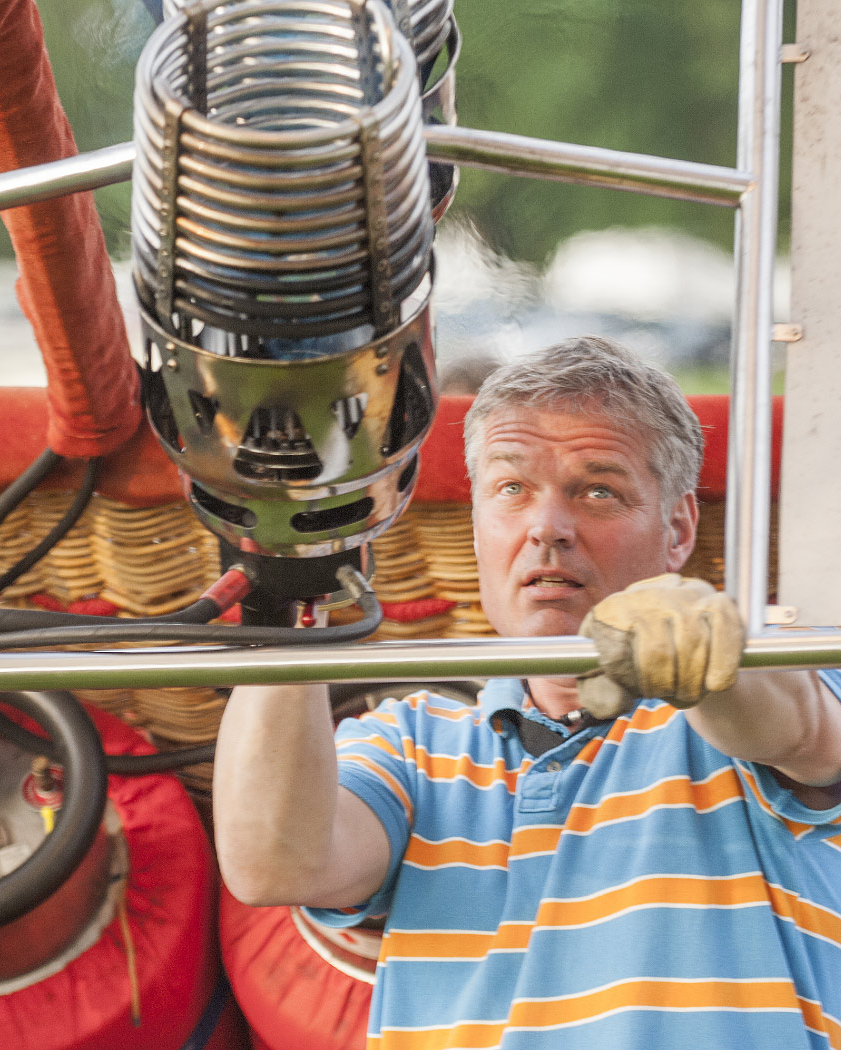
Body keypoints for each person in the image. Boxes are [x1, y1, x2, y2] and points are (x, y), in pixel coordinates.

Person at [213, 336, 841, 1049]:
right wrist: (293, 587)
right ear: (478, 527)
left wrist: (711, 648)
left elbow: (796, 728)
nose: (548, 528)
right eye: (512, 490)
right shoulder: (410, 744)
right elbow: (274, 861)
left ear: (677, 530)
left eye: (597, 489)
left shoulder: (769, 694)